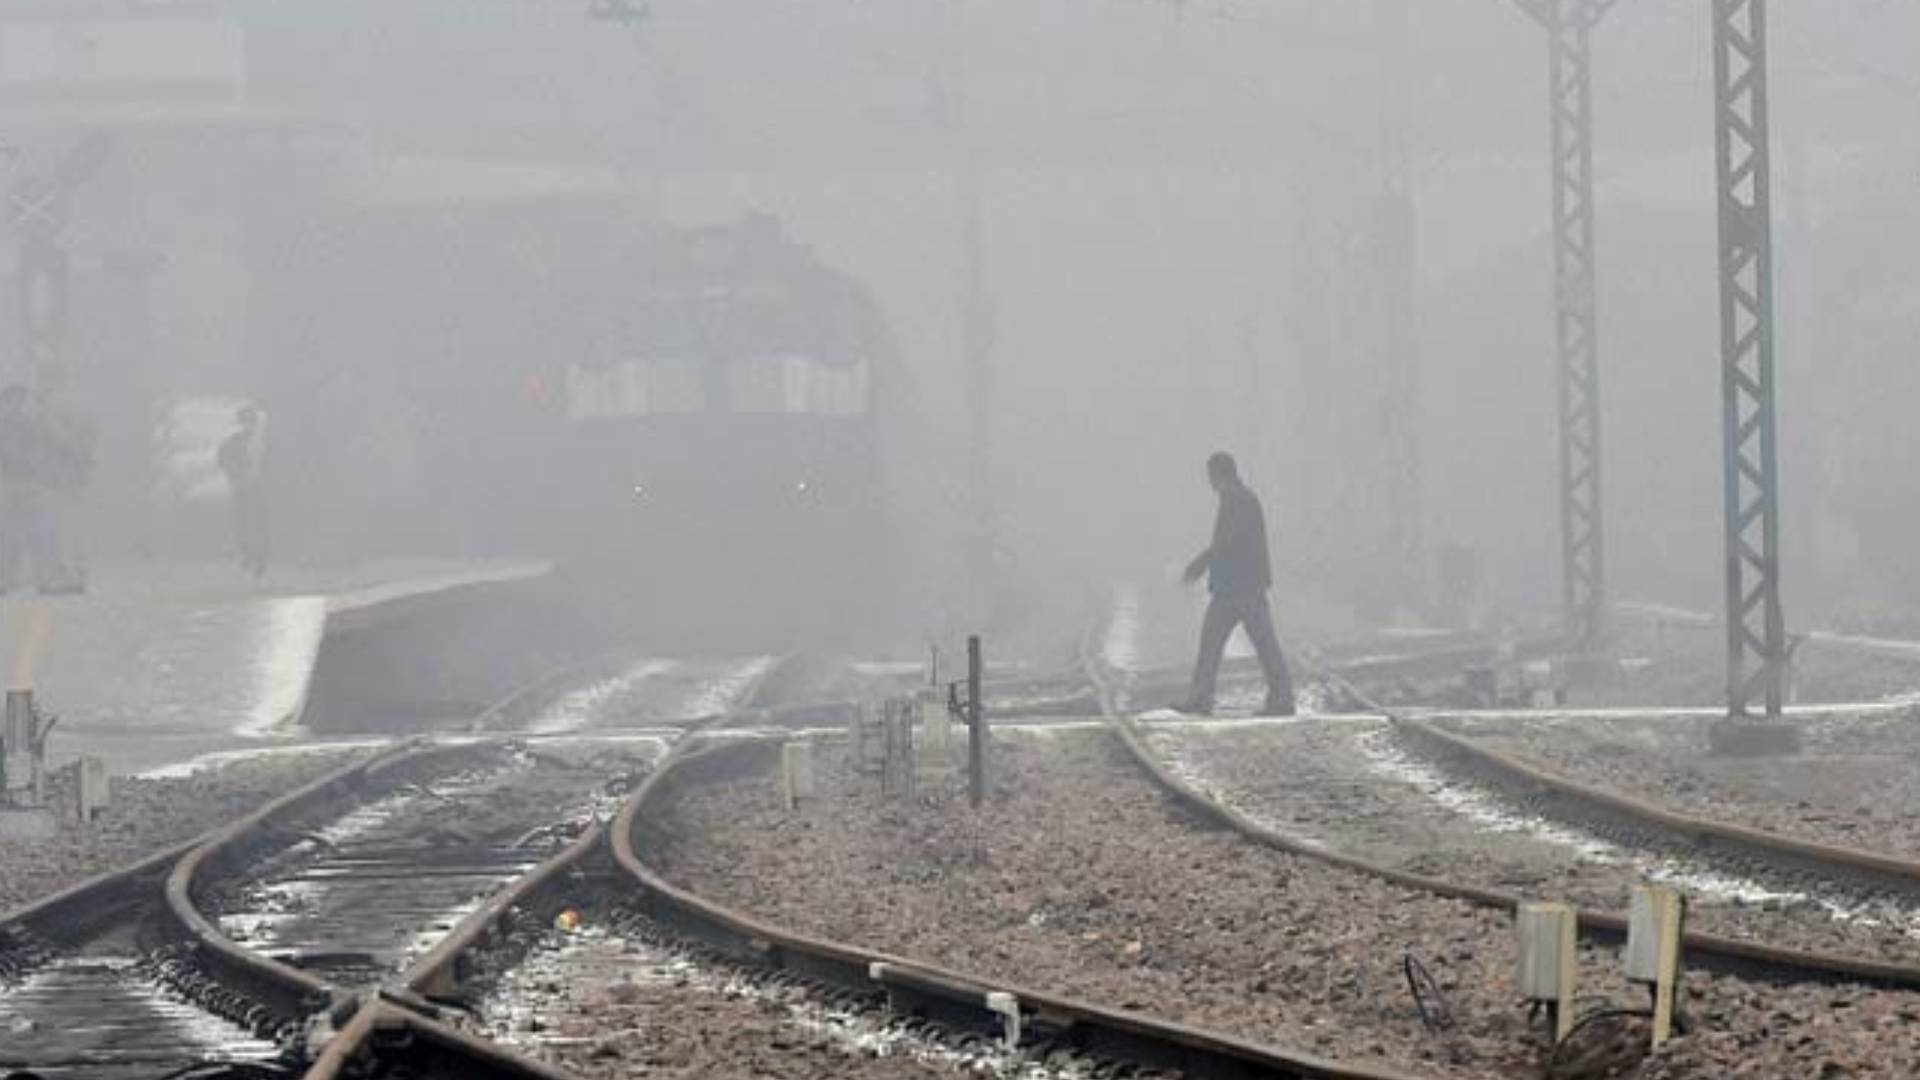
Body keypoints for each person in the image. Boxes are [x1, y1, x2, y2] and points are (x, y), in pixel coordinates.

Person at [1176, 451, 1296, 716]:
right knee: (1256, 644)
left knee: (1222, 644)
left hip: (1240, 589)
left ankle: (1204, 697)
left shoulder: (1239, 501)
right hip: (1240, 586)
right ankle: (1280, 697)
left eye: (1211, 476)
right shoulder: (1238, 499)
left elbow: (1230, 541)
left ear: (1219, 475)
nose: (1209, 483)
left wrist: (1202, 562)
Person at [0, 384, 52, 594]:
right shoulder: (22, 424)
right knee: (7, 533)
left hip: (25, 481)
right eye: (11, 400)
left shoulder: (31, 425)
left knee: (31, 531)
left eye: (18, 400)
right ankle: (7, 578)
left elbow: (41, 451)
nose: (15, 405)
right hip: (7, 480)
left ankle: (36, 577)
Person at [218, 405, 269, 578]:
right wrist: (236, 476)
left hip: (261, 489)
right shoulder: (234, 442)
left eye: (251, 421)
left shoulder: (265, 442)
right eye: (245, 421)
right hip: (242, 488)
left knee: (260, 524)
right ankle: (246, 555)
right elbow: (223, 459)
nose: (249, 425)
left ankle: (260, 558)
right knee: (242, 523)